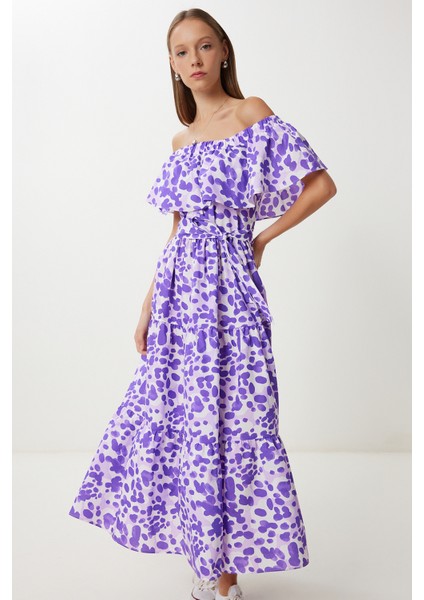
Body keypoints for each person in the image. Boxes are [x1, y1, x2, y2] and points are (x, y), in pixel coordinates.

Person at [68, 8, 337, 600]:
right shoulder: (180, 141)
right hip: (178, 295)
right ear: (171, 64)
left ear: (223, 53)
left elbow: (320, 184)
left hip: (231, 290)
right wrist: (147, 305)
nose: (194, 59)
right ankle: (211, 567)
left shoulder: (251, 114)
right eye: (182, 51)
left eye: (205, 46)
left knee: (237, 418)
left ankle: (225, 575)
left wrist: (261, 238)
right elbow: (176, 230)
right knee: (184, 421)